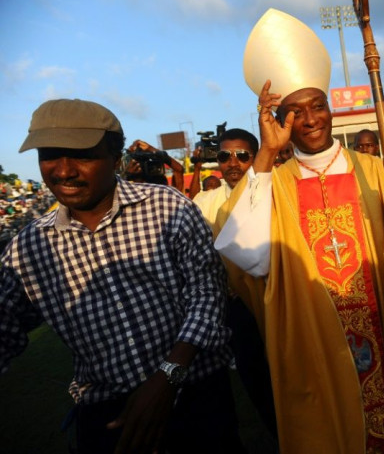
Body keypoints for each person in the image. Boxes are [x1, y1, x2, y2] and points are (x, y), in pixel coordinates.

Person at [214, 8, 384, 454]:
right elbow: (248, 257)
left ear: (331, 108)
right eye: (295, 112)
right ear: (280, 120)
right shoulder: (272, 185)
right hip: (315, 345)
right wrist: (264, 158)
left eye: (318, 105)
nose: (310, 119)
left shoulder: (378, 170)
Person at [0, 99, 241, 454]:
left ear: (116, 160)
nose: (63, 171)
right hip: (106, 418)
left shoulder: (168, 207)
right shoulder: (26, 249)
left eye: (81, 156)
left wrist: (167, 378)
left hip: (197, 396)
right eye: (50, 154)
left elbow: (208, 294)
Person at [190, 128, 278, 438]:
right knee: (257, 382)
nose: (232, 163)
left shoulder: (277, 190)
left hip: (280, 301)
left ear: (256, 158)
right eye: (224, 156)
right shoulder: (205, 200)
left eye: (242, 156)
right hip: (237, 309)